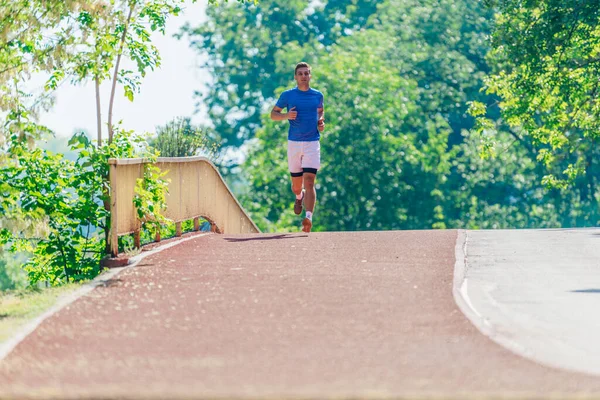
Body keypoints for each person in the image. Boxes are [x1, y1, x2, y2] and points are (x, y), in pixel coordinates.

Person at [270, 62, 325, 233]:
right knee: (297, 185)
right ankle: (298, 196)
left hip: (312, 142)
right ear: (295, 77)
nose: (303, 76)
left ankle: (308, 218)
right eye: (300, 73)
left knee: (309, 181)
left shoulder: (317, 95)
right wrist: (287, 115)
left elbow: (320, 110)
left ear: (310, 76)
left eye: (306, 73)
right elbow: (273, 114)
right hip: (294, 143)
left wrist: (320, 121)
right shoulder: (288, 95)